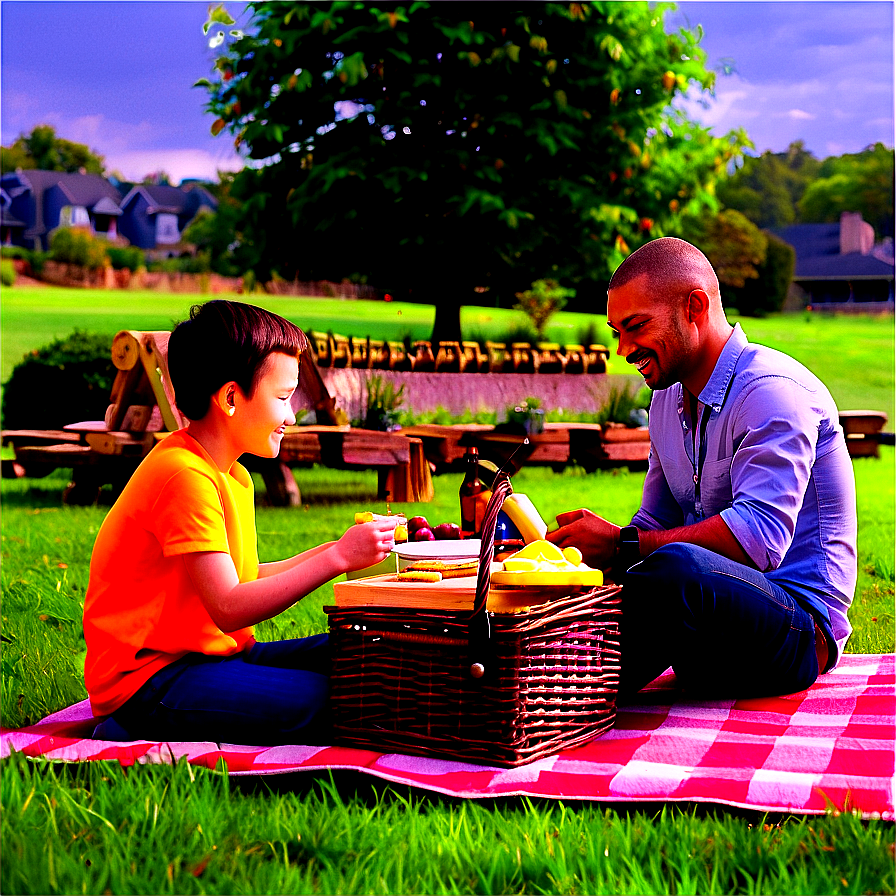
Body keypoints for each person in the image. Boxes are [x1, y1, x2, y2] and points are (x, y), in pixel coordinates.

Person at [547, 237, 856, 698]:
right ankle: (529, 672)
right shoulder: (666, 399)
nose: (623, 348)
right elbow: (655, 522)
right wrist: (580, 562)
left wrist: (619, 544)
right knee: (607, 578)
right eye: (616, 331)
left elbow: (759, 540)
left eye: (635, 326)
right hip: (708, 631)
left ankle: (561, 695)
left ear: (694, 306)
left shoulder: (771, 391)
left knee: (676, 571)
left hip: (796, 636)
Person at [84, 300, 399, 744]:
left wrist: (339, 552)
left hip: (214, 658)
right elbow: (230, 607)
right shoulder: (183, 475)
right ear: (231, 398)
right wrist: (335, 558)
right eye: (284, 398)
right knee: (338, 699)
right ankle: (129, 728)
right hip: (151, 681)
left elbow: (243, 578)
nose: (291, 416)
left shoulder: (231, 472)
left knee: (377, 657)